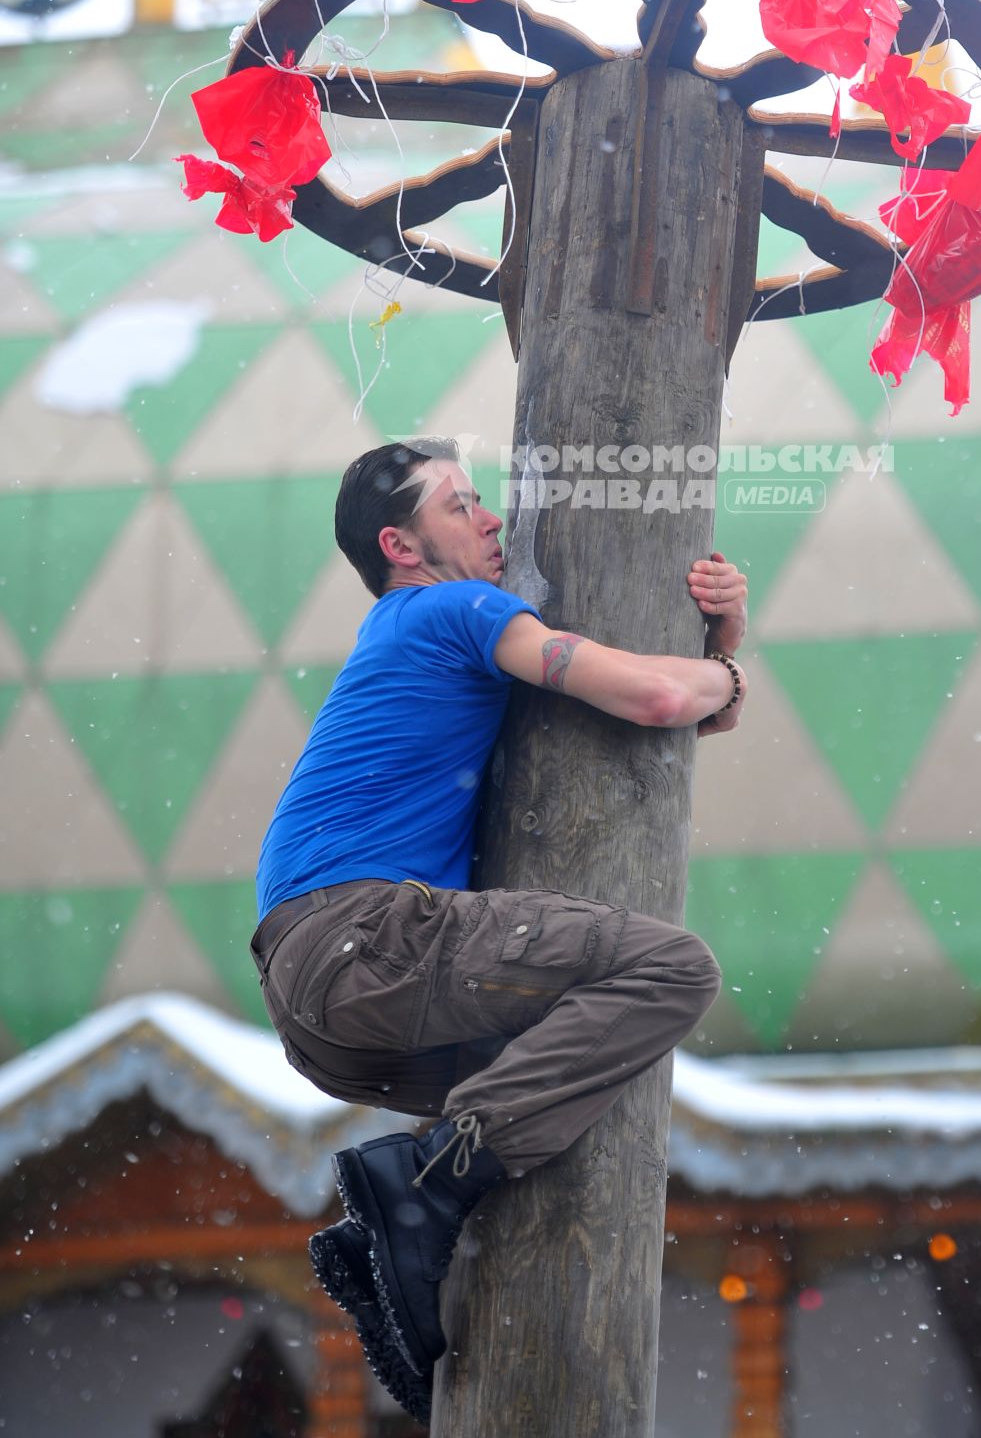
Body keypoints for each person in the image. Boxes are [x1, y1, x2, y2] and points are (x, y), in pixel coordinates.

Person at [249, 437, 747, 1417]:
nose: (491, 522)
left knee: (584, 1075)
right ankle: (423, 1184)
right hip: (367, 938)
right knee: (669, 975)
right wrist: (726, 675)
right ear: (400, 543)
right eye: (460, 504)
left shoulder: (408, 631)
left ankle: (396, 1229)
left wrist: (718, 643)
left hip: (317, 1004)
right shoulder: (450, 606)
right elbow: (653, 697)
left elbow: (670, 707)